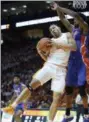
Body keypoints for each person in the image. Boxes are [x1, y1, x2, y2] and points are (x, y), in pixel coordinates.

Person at [2, 25, 77, 122]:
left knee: (56, 98)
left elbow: (74, 47)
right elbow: (47, 58)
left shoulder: (67, 35)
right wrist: (40, 52)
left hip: (61, 70)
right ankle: (12, 107)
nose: (53, 29)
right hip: (49, 66)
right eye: (51, 29)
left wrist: (58, 45)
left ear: (58, 28)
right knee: (31, 85)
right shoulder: (49, 42)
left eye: (54, 27)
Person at [50, 2, 89, 122]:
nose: (73, 21)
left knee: (82, 89)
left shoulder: (85, 28)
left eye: (75, 19)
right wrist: (57, 9)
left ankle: (87, 115)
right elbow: (62, 18)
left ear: (81, 20)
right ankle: (67, 115)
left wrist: (59, 7)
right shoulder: (73, 29)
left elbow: (76, 16)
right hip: (72, 61)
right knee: (69, 89)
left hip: (82, 61)